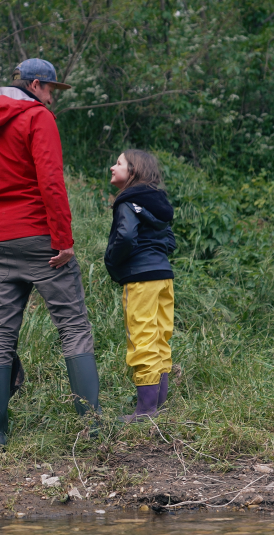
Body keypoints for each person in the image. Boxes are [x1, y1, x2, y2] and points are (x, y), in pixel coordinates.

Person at [0, 58, 101, 450]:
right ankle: (93, 429)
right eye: (52, 89)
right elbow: (51, 179)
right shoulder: (38, 119)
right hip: (41, 237)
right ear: (35, 85)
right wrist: (63, 239)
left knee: (0, 334)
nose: (52, 98)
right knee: (72, 326)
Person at [104, 149, 176, 422]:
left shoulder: (128, 201)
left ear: (132, 171)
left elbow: (125, 237)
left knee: (142, 337)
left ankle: (145, 411)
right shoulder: (157, 203)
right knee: (159, 336)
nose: (113, 167)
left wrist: (112, 261)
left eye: (119, 163)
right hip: (163, 276)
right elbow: (169, 240)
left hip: (141, 278)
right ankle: (157, 405)